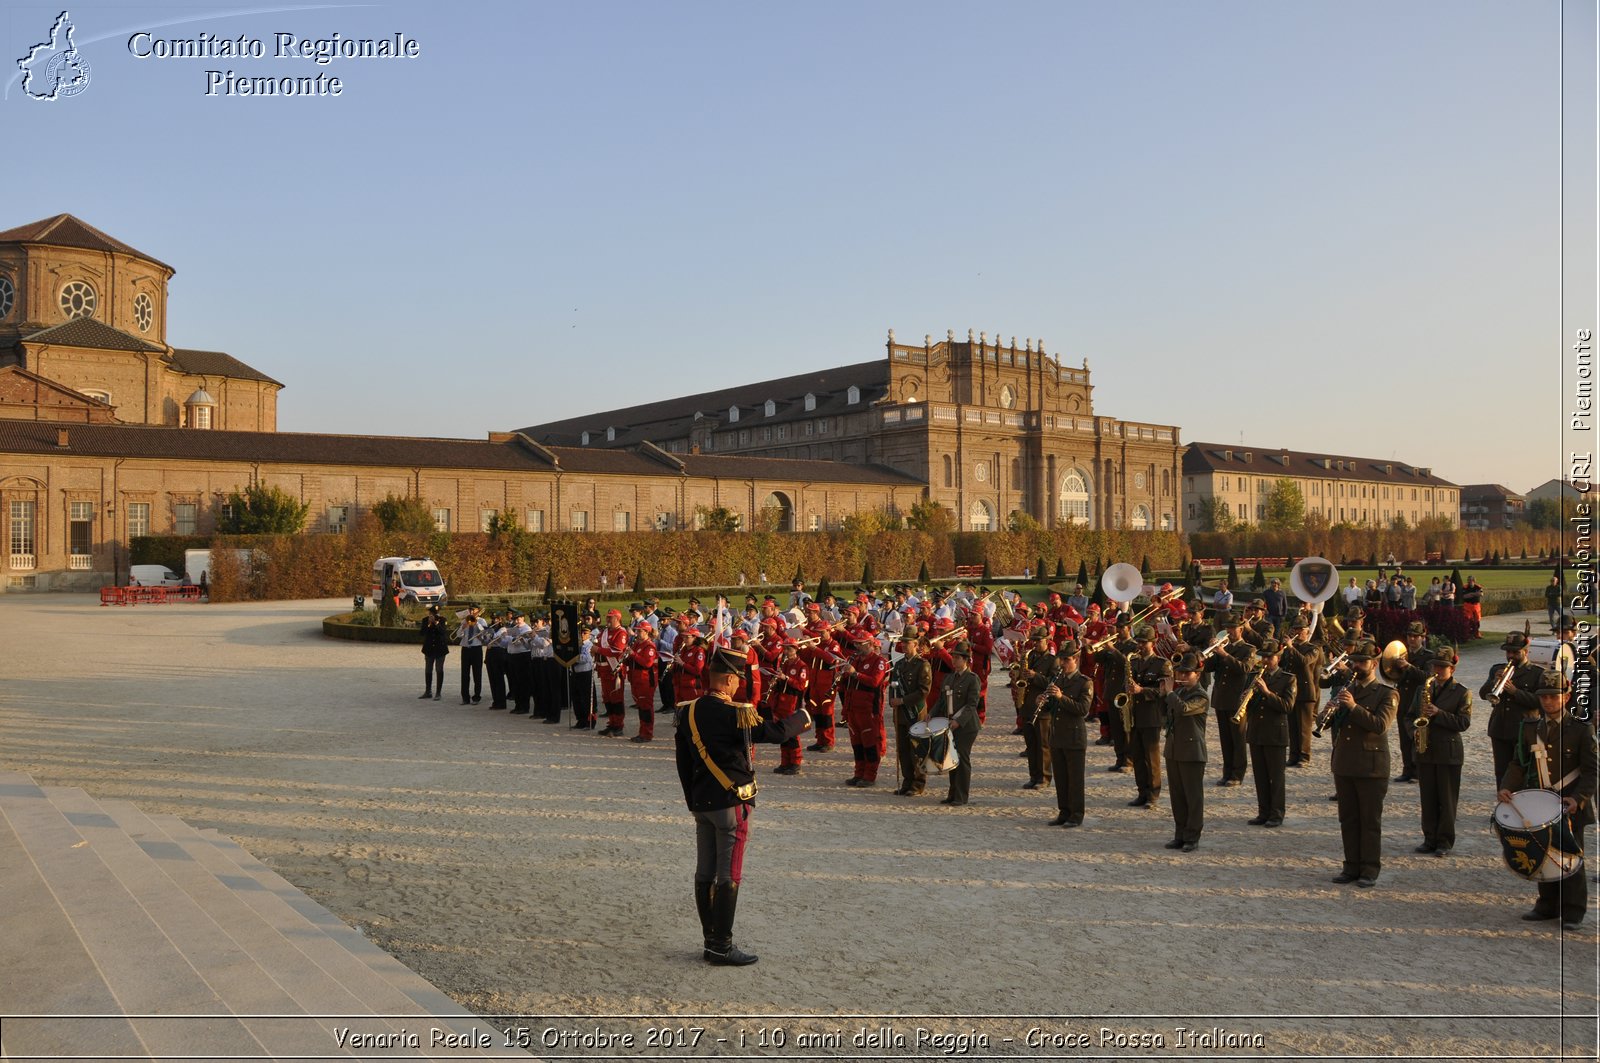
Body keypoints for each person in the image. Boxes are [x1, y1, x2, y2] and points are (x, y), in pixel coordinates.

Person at [676, 648, 813, 965]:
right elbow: (775, 733)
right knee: (729, 874)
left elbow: (683, 763)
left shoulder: (688, 712)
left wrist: (692, 801)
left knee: (704, 872)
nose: (739, 686)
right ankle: (721, 946)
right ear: (726, 680)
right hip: (730, 802)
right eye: (737, 680)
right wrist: (802, 717)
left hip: (702, 802)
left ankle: (711, 940)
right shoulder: (733, 713)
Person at [1497, 670, 1597, 930]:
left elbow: (1591, 771)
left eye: (1554, 696)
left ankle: (1573, 910)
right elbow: (1519, 762)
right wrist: (1507, 786)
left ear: (1566, 697)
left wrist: (1579, 798)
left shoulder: (1581, 730)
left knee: (1570, 857)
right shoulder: (1531, 727)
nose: (1548, 702)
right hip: (1541, 801)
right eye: (1544, 697)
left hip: (1569, 803)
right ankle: (1547, 905)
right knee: (1542, 853)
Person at [1328, 639, 1398, 887]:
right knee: (1348, 819)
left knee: (1369, 821)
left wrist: (1353, 707)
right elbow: (1331, 726)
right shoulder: (1347, 689)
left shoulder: (1387, 693)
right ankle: (1351, 866)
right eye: (1354, 661)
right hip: (1345, 762)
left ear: (1374, 663)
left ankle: (1369, 869)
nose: (1357, 666)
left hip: (1371, 766)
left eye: (1362, 662)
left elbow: (1380, 725)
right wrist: (1328, 713)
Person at [1412, 649, 1471, 856]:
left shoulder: (1462, 692)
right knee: (1427, 798)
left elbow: (1463, 723)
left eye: (1442, 667)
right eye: (1434, 666)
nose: (1437, 670)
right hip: (1426, 750)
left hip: (1448, 752)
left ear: (1452, 669)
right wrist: (1415, 731)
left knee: (1446, 800)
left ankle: (1444, 841)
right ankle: (1429, 838)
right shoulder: (1423, 689)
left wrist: (1439, 713)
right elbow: (1410, 715)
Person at [1243, 639, 1296, 827]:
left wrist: (1266, 692)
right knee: (1260, 776)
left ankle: (1277, 813)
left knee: (1276, 777)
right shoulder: (1255, 675)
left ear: (1278, 658)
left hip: (1275, 734)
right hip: (1256, 731)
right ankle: (1263, 812)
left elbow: (1287, 706)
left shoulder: (1288, 678)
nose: (1265, 660)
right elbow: (1247, 705)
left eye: (1269, 657)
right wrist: (1245, 698)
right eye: (1263, 656)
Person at [1482, 633, 1546, 787]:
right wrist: (1494, 681)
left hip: (1523, 729)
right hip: (1500, 728)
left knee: (1523, 772)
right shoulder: (1497, 669)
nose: (1511, 656)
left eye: (1515, 652)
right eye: (1508, 652)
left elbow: (1540, 701)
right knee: (1501, 772)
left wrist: (1515, 692)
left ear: (1526, 651)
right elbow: (1483, 693)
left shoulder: (1537, 673)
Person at [1043, 639, 1093, 826]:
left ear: (1076, 659)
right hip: (1057, 735)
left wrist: (1060, 697)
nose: (1063, 664)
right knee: (1061, 778)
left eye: (1067, 660)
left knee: (1075, 780)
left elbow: (1082, 709)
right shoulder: (1058, 679)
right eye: (1062, 660)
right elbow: (1052, 706)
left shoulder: (1084, 683)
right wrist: (1045, 700)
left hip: (1074, 737)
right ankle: (1063, 812)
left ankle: (1076, 815)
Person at [1163, 652, 1208, 851]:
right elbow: (1166, 714)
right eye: (1181, 672)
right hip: (1174, 750)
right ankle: (1180, 834)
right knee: (1177, 796)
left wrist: (1170, 693)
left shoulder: (1201, 695)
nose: (1182, 676)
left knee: (1193, 797)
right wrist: (1162, 694)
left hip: (1192, 751)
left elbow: (1183, 709)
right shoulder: (1179, 692)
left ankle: (1192, 836)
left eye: (1187, 673)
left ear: (1197, 675)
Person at [839, 633, 891, 786]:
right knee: (857, 744)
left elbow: (875, 681)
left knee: (870, 743)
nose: (857, 647)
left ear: (869, 644)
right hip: (853, 708)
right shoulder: (855, 659)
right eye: (856, 643)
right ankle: (858, 773)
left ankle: (869, 776)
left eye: (860, 644)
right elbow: (847, 684)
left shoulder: (879, 661)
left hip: (868, 709)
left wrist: (855, 673)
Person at [938, 644, 983, 806]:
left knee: (962, 759)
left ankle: (961, 796)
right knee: (952, 758)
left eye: (957, 658)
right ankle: (953, 793)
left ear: (966, 660)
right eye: (953, 657)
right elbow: (942, 700)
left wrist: (959, 720)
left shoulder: (972, 679)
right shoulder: (949, 677)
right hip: (951, 723)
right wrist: (931, 714)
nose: (954, 660)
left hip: (966, 726)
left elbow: (972, 704)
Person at [457, 606, 488, 705]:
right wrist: (463, 627)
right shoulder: (465, 620)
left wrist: (476, 622)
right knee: (464, 674)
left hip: (476, 649)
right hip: (465, 649)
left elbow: (484, 634)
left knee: (477, 674)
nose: (471, 612)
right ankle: (465, 697)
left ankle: (476, 697)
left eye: (473, 610)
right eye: (470, 610)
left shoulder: (482, 621)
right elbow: (458, 635)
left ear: (478, 611)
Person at [418, 605, 450, 700]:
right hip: (429, 649)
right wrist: (428, 624)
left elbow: (443, 632)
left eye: (435, 614)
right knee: (428, 670)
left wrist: (436, 623)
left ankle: (438, 693)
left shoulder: (442, 620)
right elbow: (422, 633)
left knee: (439, 670)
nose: (433, 615)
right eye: (432, 614)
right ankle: (428, 691)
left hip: (440, 649)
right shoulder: (425, 620)